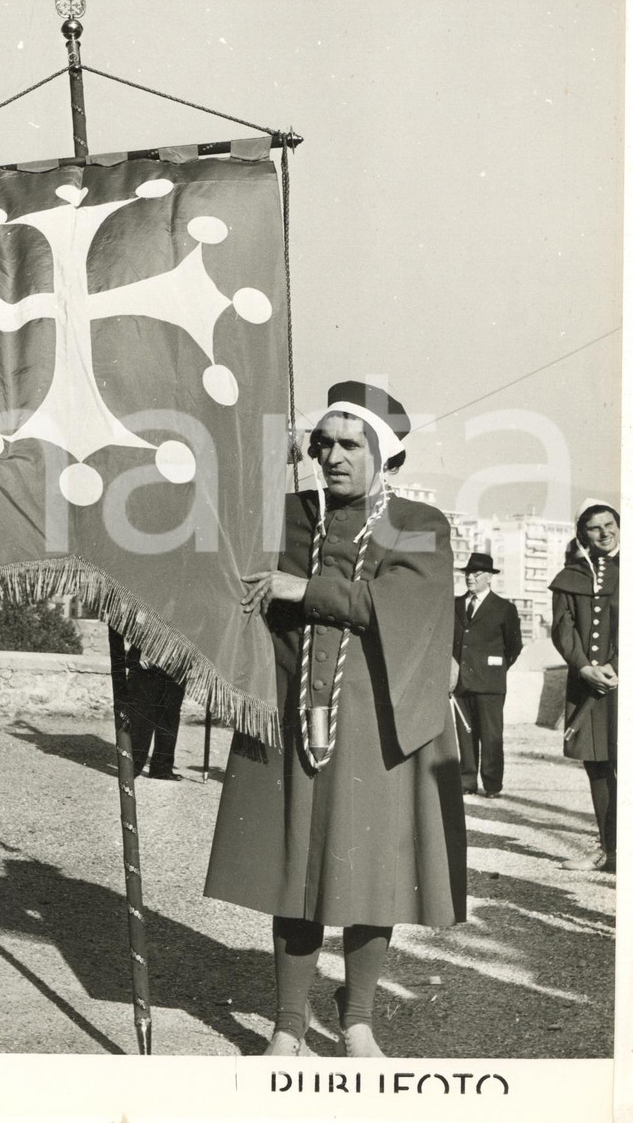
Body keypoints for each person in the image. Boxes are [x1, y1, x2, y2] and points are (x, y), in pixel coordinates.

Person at [205, 381, 466, 1058]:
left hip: (378, 725)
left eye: (351, 444)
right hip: (292, 713)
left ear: (385, 453)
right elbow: (219, 555)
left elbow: (406, 603)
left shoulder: (419, 521)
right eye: (322, 444)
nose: (332, 457)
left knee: (369, 874)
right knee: (294, 869)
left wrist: (306, 589)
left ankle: (358, 1021)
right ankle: (288, 1023)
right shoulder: (285, 515)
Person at [549, 500, 619, 873]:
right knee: (597, 764)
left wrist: (616, 666)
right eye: (595, 527)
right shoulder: (572, 575)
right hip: (587, 684)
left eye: (610, 525)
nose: (604, 533)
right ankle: (610, 851)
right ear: (583, 535)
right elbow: (563, 627)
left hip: (623, 682)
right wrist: (584, 668)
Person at [452, 552, 523, 798]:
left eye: (477, 573)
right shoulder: (455, 605)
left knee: (491, 736)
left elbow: (514, 646)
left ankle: (492, 785)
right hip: (460, 683)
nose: (470, 577)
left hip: (490, 684)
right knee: (465, 734)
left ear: (489, 577)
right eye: (468, 573)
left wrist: (495, 669)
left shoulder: (504, 608)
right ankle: (467, 781)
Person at [126, 646, 185, 781]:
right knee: (141, 716)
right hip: (145, 665)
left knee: (169, 718)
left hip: (177, 665)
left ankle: (162, 769)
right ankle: (132, 767)